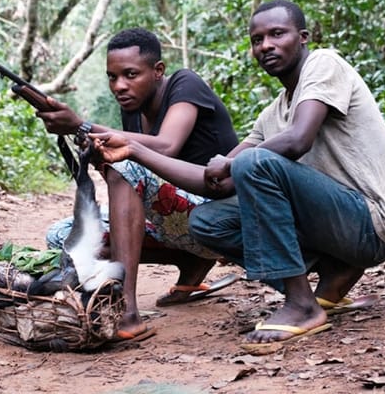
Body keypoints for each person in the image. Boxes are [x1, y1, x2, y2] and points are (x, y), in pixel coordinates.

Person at [89, 0, 385, 351]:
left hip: (370, 223)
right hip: (335, 230)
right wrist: (135, 152)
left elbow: (298, 139)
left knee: (254, 162)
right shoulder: (271, 115)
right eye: (257, 39)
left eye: (276, 34)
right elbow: (215, 182)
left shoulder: (323, 64)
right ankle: (333, 273)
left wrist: (233, 162)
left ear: (303, 37)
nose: (265, 45)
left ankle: (302, 306)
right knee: (207, 221)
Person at [36, 27, 239, 340]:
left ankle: (127, 311)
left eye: (130, 74)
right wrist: (96, 152)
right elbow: (129, 187)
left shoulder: (186, 85)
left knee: (129, 165)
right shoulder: (131, 109)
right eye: (112, 77)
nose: (120, 86)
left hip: (218, 220)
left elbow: (167, 145)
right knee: (63, 236)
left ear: (158, 71)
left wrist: (81, 125)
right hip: (178, 225)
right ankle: (191, 264)